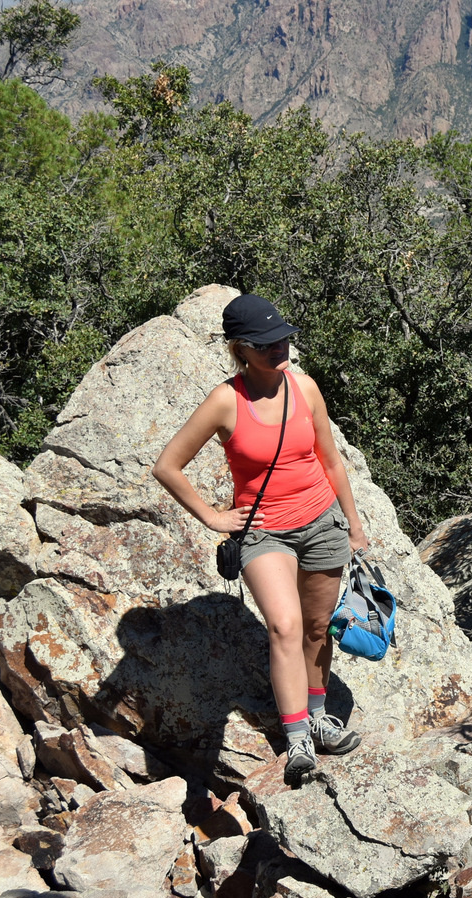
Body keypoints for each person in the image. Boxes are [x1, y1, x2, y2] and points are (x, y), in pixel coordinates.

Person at [153, 292, 369, 785]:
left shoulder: (305, 388)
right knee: (284, 627)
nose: (280, 348)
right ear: (241, 349)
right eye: (267, 343)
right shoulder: (225, 401)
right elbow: (167, 466)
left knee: (317, 627)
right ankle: (296, 741)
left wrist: (354, 526)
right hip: (265, 531)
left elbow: (331, 461)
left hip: (321, 523)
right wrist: (212, 516)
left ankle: (318, 718)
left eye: (284, 339)